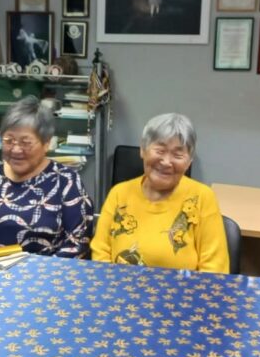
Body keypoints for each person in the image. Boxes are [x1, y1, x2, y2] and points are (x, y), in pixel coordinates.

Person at [0, 95, 93, 258]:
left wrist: (34, 269)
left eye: (25, 142)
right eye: (9, 140)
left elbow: (77, 244)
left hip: (45, 270)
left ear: (46, 143)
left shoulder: (66, 181)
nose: (16, 150)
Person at [91, 113, 229, 272]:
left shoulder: (202, 198)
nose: (166, 162)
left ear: (189, 161)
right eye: (160, 150)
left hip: (183, 288)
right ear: (143, 150)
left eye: (177, 155)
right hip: (120, 286)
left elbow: (215, 269)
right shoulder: (119, 194)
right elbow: (100, 253)